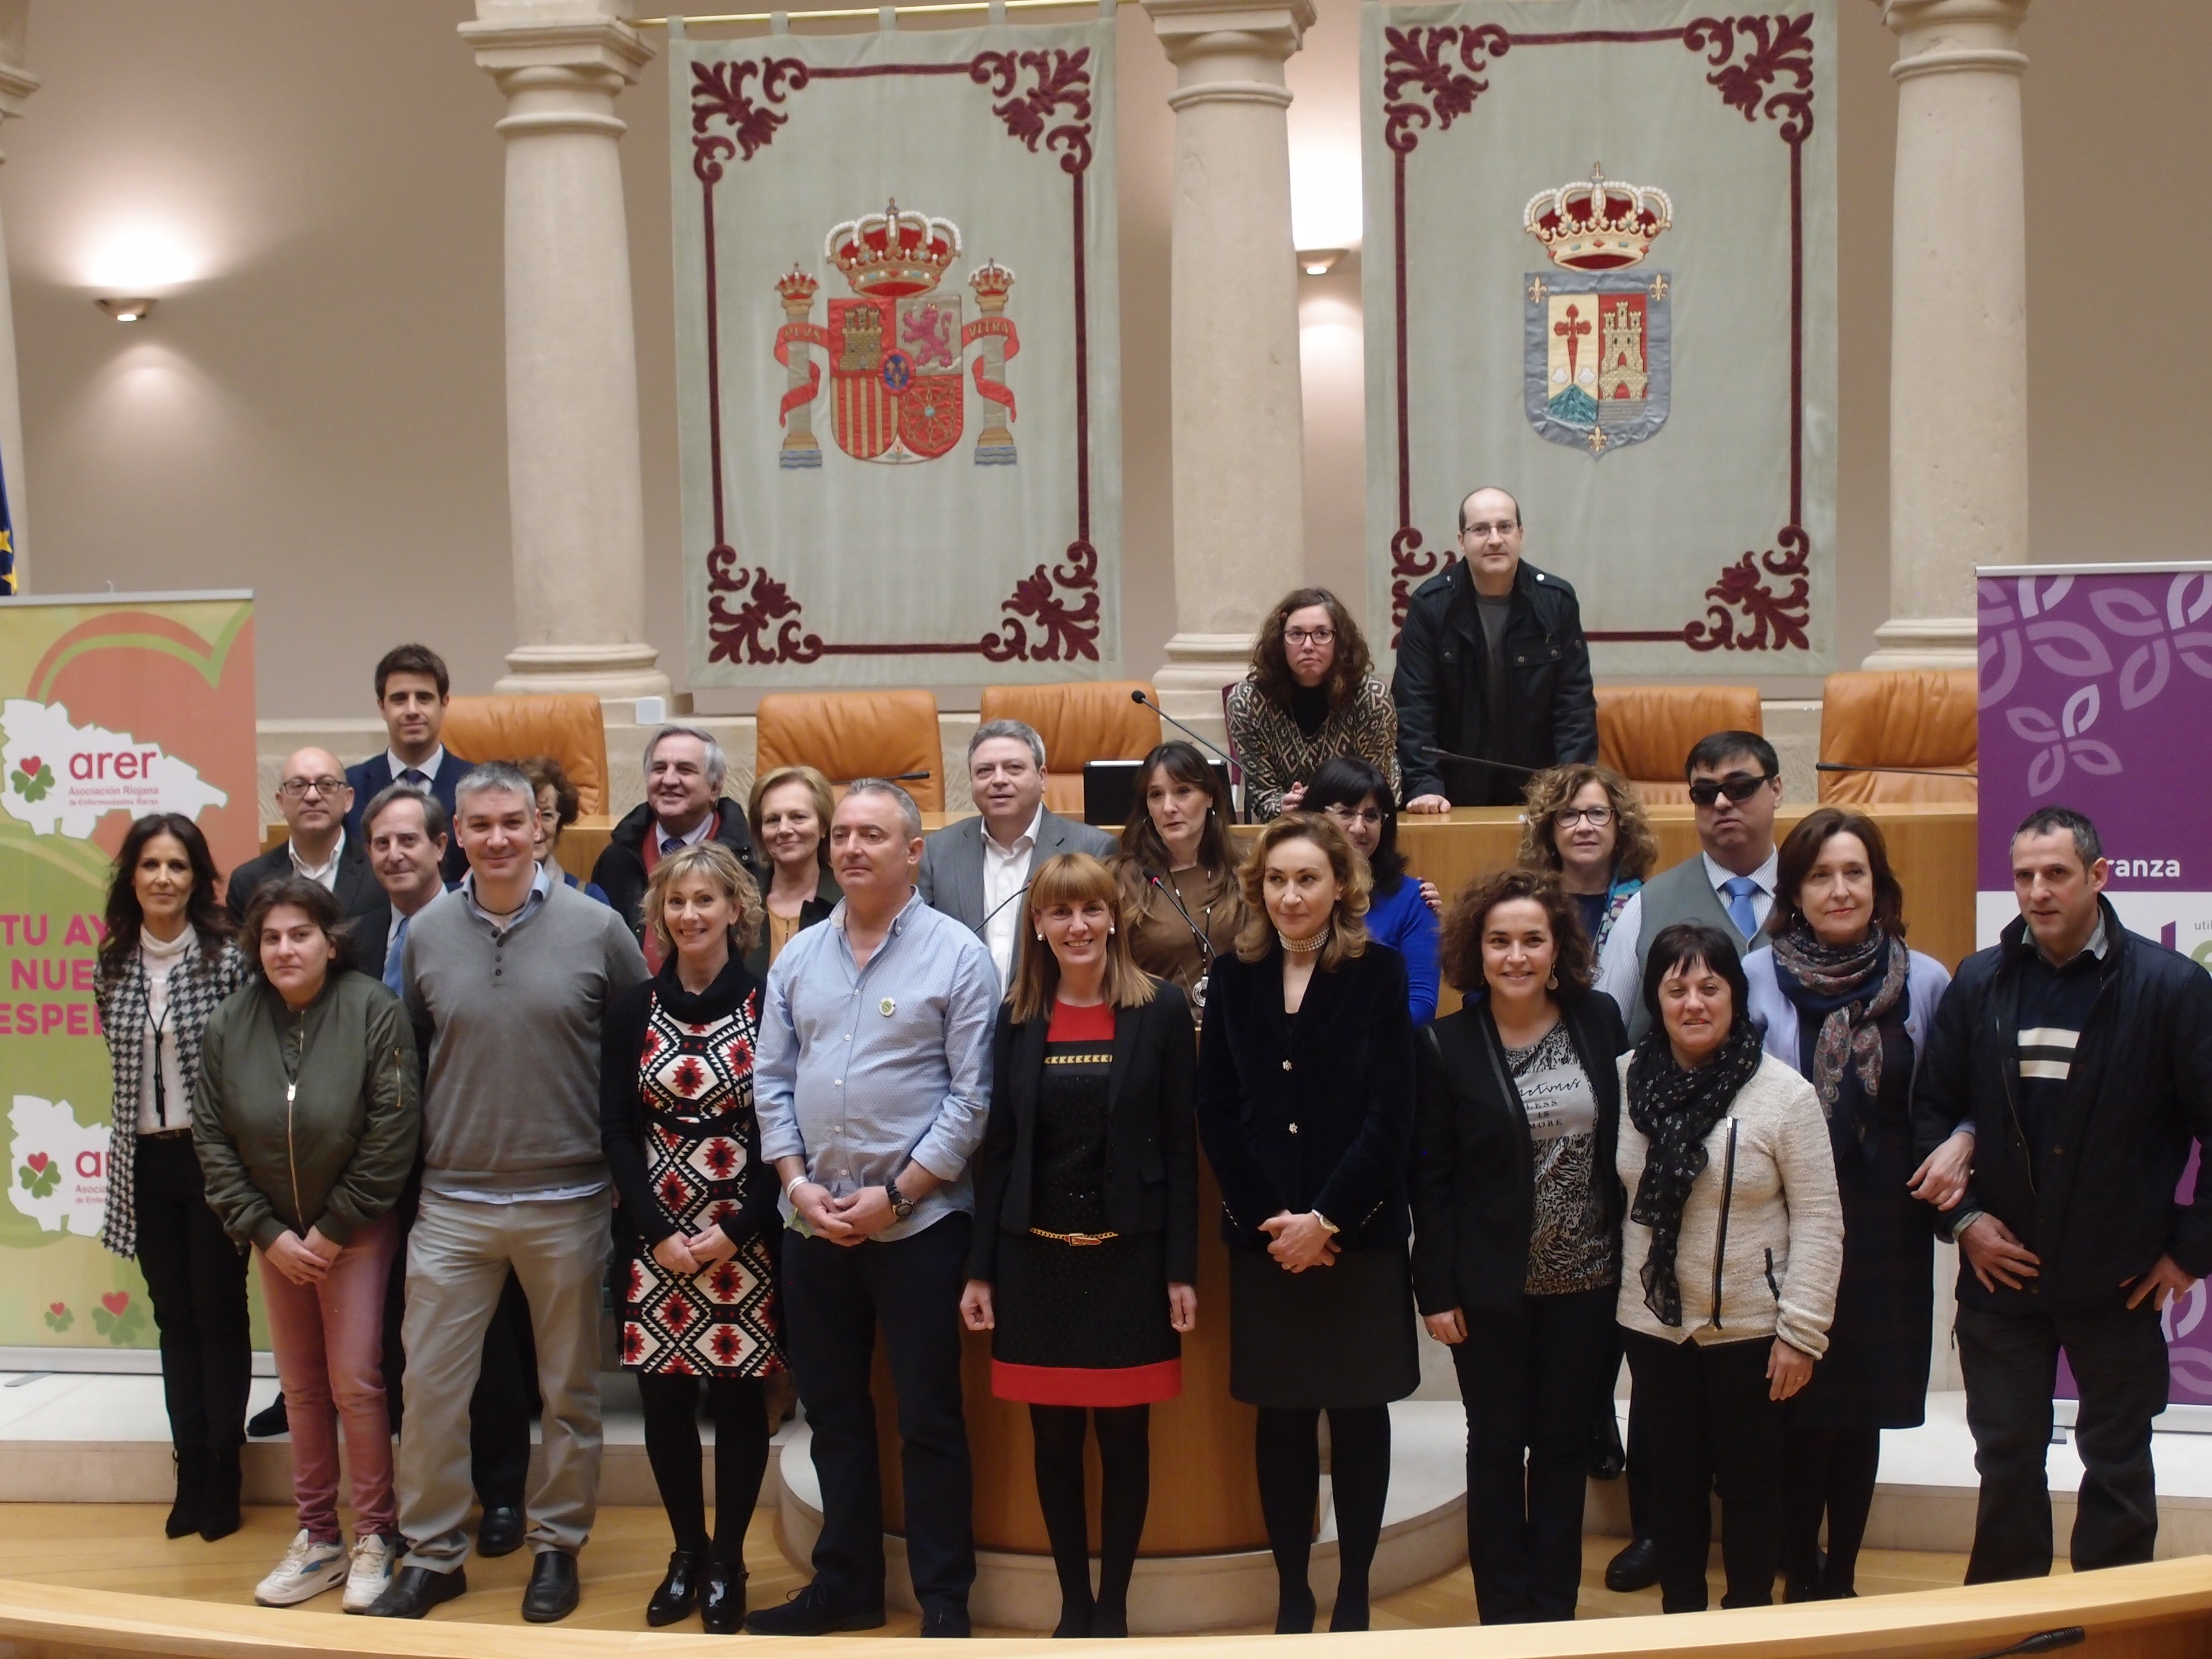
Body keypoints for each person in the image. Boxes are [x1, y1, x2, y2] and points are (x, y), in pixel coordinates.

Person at [366, 763, 651, 1623]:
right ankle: (434, 1553)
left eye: (511, 823)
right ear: (456, 835)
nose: (495, 839)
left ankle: (557, 1545)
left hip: (566, 1197)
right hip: (452, 1201)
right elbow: (407, 1062)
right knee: (431, 1390)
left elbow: (637, 1062)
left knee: (567, 1392)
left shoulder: (600, 931)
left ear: (539, 829)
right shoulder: (422, 933)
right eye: (478, 825)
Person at [1911, 805, 2212, 1583]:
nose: (2038, 892)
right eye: (2023, 876)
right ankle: (2007, 1622)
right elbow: (1932, 1114)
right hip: (1998, 1277)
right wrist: (1965, 1221)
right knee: (2005, 1458)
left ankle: (2116, 1628)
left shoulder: (2173, 987)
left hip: (2117, 1278)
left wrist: (2187, 1254)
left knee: (2116, 1463)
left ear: (2098, 877)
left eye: (2056, 874)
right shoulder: (1980, 980)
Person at [750, 781, 997, 1638]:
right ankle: (845, 1586)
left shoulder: (958, 955)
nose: (851, 849)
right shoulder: (798, 957)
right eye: (842, 835)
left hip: (920, 1228)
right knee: (836, 1417)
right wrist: (795, 1183)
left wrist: (897, 1195)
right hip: (812, 1225)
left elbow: (972, 1100)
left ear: (914, 851)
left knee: (928, 1419)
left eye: (872, 835)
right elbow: (772, 1081)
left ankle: (943, 1600)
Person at [961, 853, 1199, 1638]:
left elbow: (1179, 1147)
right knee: (1054, 1441)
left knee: (1127, 1439)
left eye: (1091, 910)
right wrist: (981, 1272)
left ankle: (1115, 1607)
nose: (1078, 927)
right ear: (1039, 925)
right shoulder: (1019, 1017)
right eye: (1061, 913)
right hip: (1036, 1263)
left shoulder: (1160, 1013)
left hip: (1130, 1264)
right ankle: (1073, 1604)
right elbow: (1001, 1151)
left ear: (1115, 918)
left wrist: (1179, 1272)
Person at [1195, 814, 1418, 1634]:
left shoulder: (1379, 974)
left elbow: (1392, 1116)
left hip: (1354, 1239)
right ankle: (1295, 1588)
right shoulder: (1234, 975)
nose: (1291, 895)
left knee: (1360, 1417)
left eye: (1308, 880)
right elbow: (1218, 1111)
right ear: (1260, 889)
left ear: (1342, 888)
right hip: (1266, 1245)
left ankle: (1354, 1587)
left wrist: (1324, 1220)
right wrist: (1273, 1223)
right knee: (1282, 1420)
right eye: (1278, 881)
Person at [193, 878, 420, 1612]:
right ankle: (319, 1536)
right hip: (276, 1240)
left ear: (331, 940)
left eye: (299, 935)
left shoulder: (371, 1010)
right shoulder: (231, 1022)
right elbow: (213, 1138)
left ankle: (376, 1536)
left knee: (356, 1381)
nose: (284, 949)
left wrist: (331, 1227)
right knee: (302, 1389)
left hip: (352, 1232)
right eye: (270, 938)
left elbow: (393, 1129)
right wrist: (268, 1232)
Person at [1741, 808, 1951, 1600]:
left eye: (1854, 873)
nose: (1839, 889)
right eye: (1821, 875)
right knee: (1797, 1402)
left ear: (1878, 884)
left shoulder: (1925, 978)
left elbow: (1953, 1097)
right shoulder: (1755, 975)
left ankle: (1845, 1576)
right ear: (1795, 889)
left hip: (1885, 1222)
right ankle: (1800, 1568)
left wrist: (1962, 1138)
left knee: (1858, 1408)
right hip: (1785, 1217)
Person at [1413, 868, 1625, 1623]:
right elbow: (1430, 1181)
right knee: (1498, 1447)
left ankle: (1553, 1608)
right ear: (1478, 949)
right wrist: (1433, 1288)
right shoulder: (1444, 1045)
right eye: (1499, 941)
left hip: (1590, 1282)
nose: (1516, 956)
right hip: (1489, 1289)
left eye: (1533, 939)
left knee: (1564, 1448)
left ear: (1557, 946)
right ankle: (1502, 1614)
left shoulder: (1598, 1020)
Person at [1617, 922, 1842, 1614]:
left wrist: (1801, 1331)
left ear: (1735, 997)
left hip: (1754, 1331)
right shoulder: (1626, 1081)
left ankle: (1747, 1621)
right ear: (1656, 999)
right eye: (1676, 988)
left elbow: (1820, 1220)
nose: (1693, 1003)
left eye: (1710, 987)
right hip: (1656, 1329)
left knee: (1751, 1487)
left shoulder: (1785, 1095)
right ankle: (1682, 1622)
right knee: (1674, 1485)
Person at [349, 780, 538, 1560]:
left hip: (463, 1164)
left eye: (410, 840)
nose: (396, 854)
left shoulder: (474, 928)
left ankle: (499, 1493)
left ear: (442, 844)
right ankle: (408, 1502)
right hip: (367, 1170)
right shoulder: (352, 938)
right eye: (382, 843)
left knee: (489, 1343)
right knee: (405, 1350)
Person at [601, 843, 783, 1634]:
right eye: (676, 903)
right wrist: (658, 1233)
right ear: (659, 916)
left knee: (741, 1406)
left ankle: (729, 1560)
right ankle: (686, 1551)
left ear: (735, 910)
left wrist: (734, 1232)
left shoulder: (769, 1001)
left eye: (705, 901)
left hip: (744, 1240)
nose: (690, 915)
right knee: (665, 1407)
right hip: (657, 1241)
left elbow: (788, 1129)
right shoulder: (633, 1006)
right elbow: (615, 1128)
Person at [93, 814, 252, 1544]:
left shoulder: (226, 958)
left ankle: (225, 1469)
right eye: (151, 865)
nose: (164, 878)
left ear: (198, 878)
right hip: (146, 1161)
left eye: (178, 866)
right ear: (132, 876)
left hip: (212, 1160)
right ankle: (189, 1465)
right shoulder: (114, 962)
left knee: (219, 1316)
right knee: (173, 1319)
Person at [1394, 488, 1598, 811]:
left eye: (1505, 527)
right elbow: (1414, 707)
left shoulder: (1556, 601)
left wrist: (1572, 788)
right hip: (1450, 792)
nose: (1494, 539)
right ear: (1462, 540)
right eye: (1480, 529)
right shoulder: (1430, 606)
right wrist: (1424, 785)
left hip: (1541, 791)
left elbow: (1574, 706)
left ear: (1521, 534)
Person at [1597, 731, 1785, 1042]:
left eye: (1740, 788)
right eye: (1706, 793)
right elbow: (1604, 1032)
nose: (1722, 803)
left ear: (1776, 790)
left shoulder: (1812, 898)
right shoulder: (1649, 905)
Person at [918, 719, 1115, 987]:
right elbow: (922, 948)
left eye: (1014, 768)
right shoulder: (938, 851)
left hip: (1052, 1016)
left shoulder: (1093, 849)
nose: (999, 780)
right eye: (985, 771)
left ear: (1042, 778)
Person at [592, 725, 762, 967]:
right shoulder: (617, 859)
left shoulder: (749, 859)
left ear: (715, 787)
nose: (669, 780)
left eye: (685, 769)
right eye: (659, 769)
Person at [1224, 588, 1399, 822]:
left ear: (1340, 641)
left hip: (1358, 824)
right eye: (1296, 634)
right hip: (1289, 828)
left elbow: (1377, 787)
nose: (1308, 645)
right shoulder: (1247, 702)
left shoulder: (1371, 698)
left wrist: (1322, 804)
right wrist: (1283, 805)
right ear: (1280, 641)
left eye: (1322, 634)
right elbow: (1262, 795)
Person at [1301, 757, 1439, 1024]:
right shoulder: (1290, 894)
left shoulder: (1414, 899)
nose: (1359, 827)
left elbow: (1421, 1005)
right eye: (1346, 813)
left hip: (1379, 1053)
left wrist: (1345, 1033)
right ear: (1315, 815)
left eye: (1372, 816)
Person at [1109, 742, 1245, 1013]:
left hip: (1238, 1032)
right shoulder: (1122, 879)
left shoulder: (1248, 868)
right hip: (1158, 1034)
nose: (1168, 807)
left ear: (1210, 797)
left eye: (1183, 791)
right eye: (1156, 795)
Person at [342, 643, 476, 880]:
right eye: (399, 699)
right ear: (382, 707)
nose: (412, 710)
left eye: (424, 698)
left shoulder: (477, 786)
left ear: (444, 704)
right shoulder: (350, 787)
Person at [1515, 763, 1657, 959]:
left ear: (1621, 825)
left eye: (1598, 814)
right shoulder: (1526, 905)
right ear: (1549, 831)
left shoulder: (1646, 905)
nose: (1584, 827)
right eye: (1569, 815)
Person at [227, 746, 380, 923]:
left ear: (348, 799)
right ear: (280, 802)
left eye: (327, 785)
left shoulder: (378, 871)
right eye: (298, 786)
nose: (312, 796)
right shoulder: (248, 881)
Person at [746, 763, 841, 978]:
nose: (784, 829)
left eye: (798, 817)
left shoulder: (850, 904)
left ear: (824, 826)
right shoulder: (738, 904)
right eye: (772, 820)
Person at [518, 753, 610, 904]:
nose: (537, 830)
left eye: (547, 815)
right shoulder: (471, 897)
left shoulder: (589, 899)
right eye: (523, 818)